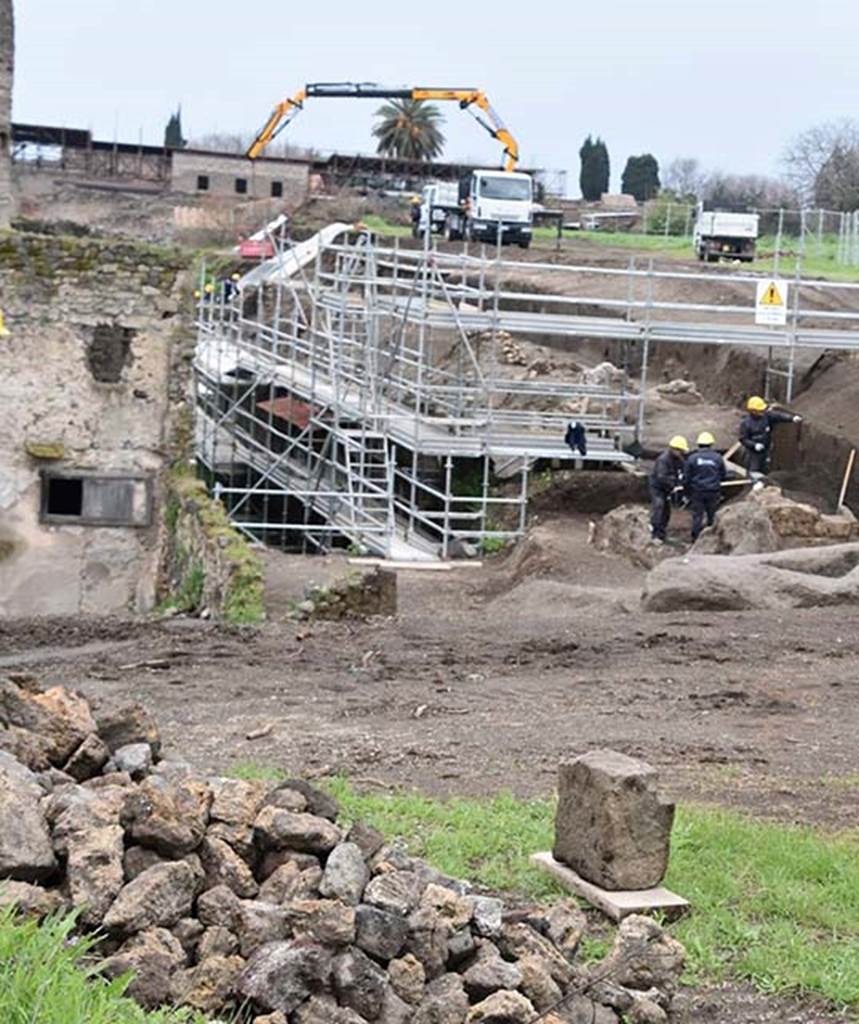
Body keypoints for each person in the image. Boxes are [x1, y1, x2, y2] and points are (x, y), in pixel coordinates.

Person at [739, 396, 802, 477]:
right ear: (753, 411)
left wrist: (792, 418)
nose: (762, 412)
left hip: (766, 449)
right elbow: (743, 439)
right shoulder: (746, 423)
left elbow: (779, 416)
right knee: (754, 472)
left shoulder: (766, 416)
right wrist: (754, 445)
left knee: (765, 470)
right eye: (760, 411)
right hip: (753, 453)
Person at [685, 431, 726, 540]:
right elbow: (723, 474)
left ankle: (695, 538)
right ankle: (712, 538)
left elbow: (687, 477)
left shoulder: (692, 458)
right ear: (711, 444)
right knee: (712, 515)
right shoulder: (717, 458)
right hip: (713, 491)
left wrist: (687, 491)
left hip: (697, 491)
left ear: (699, 444)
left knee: (697, 515)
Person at [649, 435, 689, 542]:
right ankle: (655, 534)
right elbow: (661, 477)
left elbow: (683, 472)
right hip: (658, 488)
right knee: (659, 506)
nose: (681, 453)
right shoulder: (663, 460)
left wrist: (682, 482)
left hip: (667, 488)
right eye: (680, 450)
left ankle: (662, 533)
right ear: (674, 449)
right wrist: (674, 484)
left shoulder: (679, 460)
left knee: (666, 511)